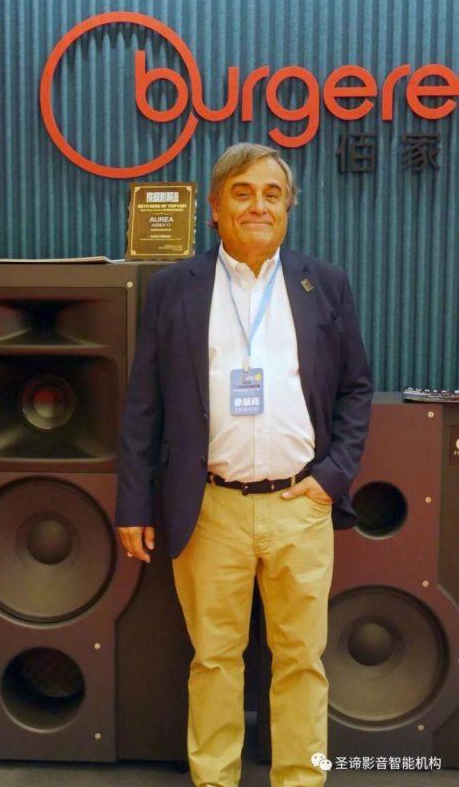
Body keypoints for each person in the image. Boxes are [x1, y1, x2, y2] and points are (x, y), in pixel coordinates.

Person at [115, 142, 373, 787]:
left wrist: (332, 478)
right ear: (215, 207)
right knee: (214, 659)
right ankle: (214, 779)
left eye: (271, 194)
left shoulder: (324, 283)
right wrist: (134, 505)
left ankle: (301, 779)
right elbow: (144, 405)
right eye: (242, 192)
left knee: (301, 661)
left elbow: (355, 388)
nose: (258, 205)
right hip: (208, 508)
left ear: (289, 207)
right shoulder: (173, 288)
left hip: (299, 506)